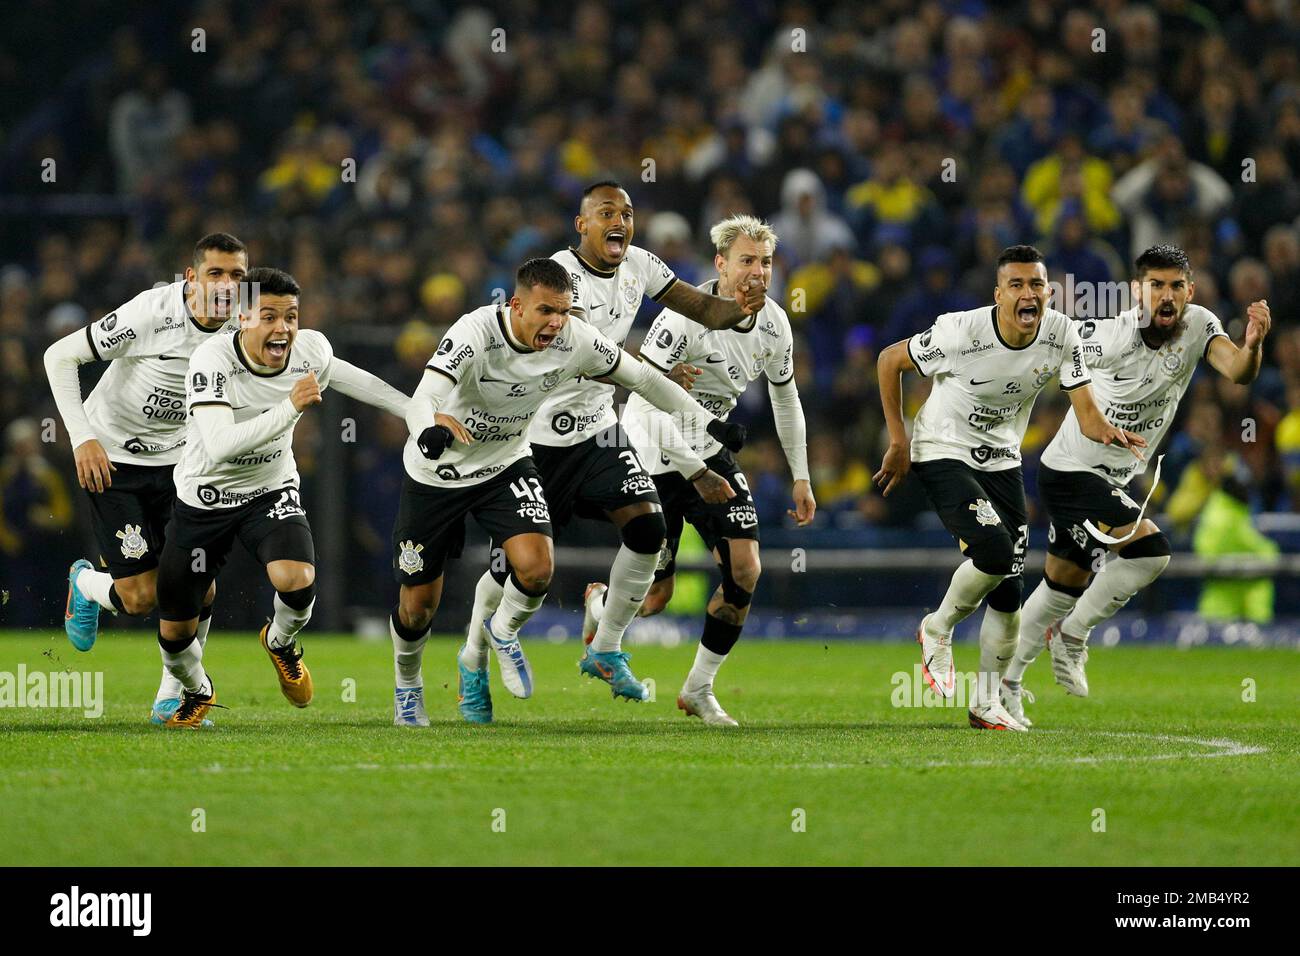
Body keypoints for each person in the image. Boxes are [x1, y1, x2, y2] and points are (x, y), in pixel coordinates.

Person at [389, 258, 746, 726]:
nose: (556, 323)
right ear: (516, 306)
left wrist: (708, 423)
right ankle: (411, 685)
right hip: (440, 471)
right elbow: (425, 395)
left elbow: (643, 378)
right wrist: (425, 431)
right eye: (545, 312)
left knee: (538, 569)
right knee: (418, 608)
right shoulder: (475, 331)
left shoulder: (576, 336)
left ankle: (525, 634)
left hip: (507, 463)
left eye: (563, 312)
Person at [464, 181, 765, 705]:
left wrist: (742, 305)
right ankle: (474, 655)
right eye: (607, 212)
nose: (620, 221)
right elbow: (586, 352)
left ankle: (605, 648)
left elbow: (706, 311)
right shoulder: (560, 277)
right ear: (582, 226)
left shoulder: (641, 267)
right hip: (536, 437)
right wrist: (653, 374)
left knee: (648, 530)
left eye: (627, 212)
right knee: (515, 566)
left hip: (600, 431)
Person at [873, 245, 1145, 732]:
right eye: (1016, 285)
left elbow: (1083, 407)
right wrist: (898, 438)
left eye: (1036, 285)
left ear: (1048, 292)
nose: (1028, 294)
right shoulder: (961, 331)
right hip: (942, 448)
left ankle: (985, 702)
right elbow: (889, 359)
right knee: (995, 553)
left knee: (1010, 592)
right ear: (998, 294)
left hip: (1002, 459)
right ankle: (937, 628)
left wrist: (1106, 430)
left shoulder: (1062, 334)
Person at [1004, 244, 1269, 716]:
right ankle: (1073, 635)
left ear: (1190, 290)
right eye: (1155, 285)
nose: (1165, 296)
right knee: (1151, 551)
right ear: (1136, 291)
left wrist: (1252, 345)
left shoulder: (1200, 327)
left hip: (1109, 480)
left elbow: (1238, 372)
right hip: (1071, 471)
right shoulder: (1113, 335)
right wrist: (1088, 417)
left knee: (1060, 586)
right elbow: (1066, 354)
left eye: (1174, 286)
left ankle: (1002, 689)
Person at [153, 267, 409, 728]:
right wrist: (289, 406)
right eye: (269, 316)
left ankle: (281, 642)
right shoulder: (212, 361)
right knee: (174, 635)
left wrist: (417, 412)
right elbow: (221, 445)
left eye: (290, 316)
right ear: (242, 319)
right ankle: (197, 689)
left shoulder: (308, 349)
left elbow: (358, 381)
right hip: (205, 500)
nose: (283, 328)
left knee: (297, 578)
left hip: (270, 489)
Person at [609, 214, 815, 726]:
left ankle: (698, 688)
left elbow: (785, 400)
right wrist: (695, 471)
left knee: (745, 569)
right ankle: (602, 606)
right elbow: (646, 398)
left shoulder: (774, 324)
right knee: (656, 597)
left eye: (765, 263)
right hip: (653, 448)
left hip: (709, 443)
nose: (757, 273)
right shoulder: (683, 318)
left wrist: (802, 475)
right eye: (746, 261)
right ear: (720, 266)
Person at [46, 233, 245, 723]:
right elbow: (59, 356)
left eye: (237, 276)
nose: (226, 286)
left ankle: (171, 695)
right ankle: (88, 584)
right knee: (139, 598)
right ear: (191, 277)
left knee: (202, 583)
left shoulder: (248, 324)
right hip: (114, 459)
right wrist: (81, 438)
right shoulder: (151, 313)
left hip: (181, 464)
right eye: (215, 274)